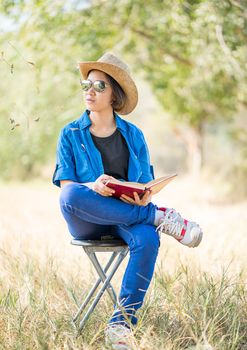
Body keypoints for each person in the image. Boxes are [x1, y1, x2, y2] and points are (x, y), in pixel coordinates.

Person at [52, 52, 203, 349]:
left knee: (148, 239)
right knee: (70, 194)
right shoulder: (69, 133)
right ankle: (159, 217)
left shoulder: (134, 135)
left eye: (98, 86)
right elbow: (68, 186)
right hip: (88, 218)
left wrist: (145, 193)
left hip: (128, 216)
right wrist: (93, 185)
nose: (90, 92)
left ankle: (121, 325)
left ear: (114, 95)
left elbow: (145, 182)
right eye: (86, 85)